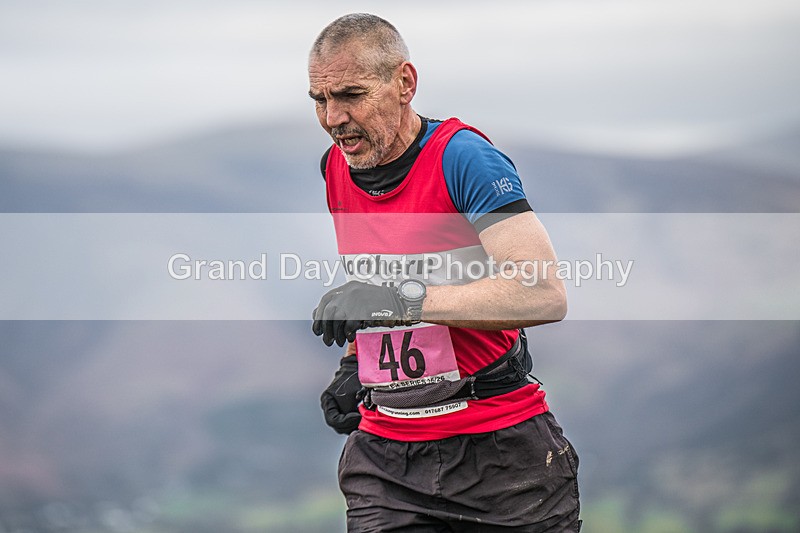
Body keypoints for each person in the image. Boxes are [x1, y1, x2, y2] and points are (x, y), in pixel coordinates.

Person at [309, 13, 581, 532]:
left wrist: (398, 300)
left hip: (501, 457)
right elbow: (376, 275)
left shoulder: (464, 158)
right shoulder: (336, 167)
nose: (333, 117)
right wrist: (353, 363)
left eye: (351, 95)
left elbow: (544, 293)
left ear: (405, 83)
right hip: (386, 460)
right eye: (320, 100)